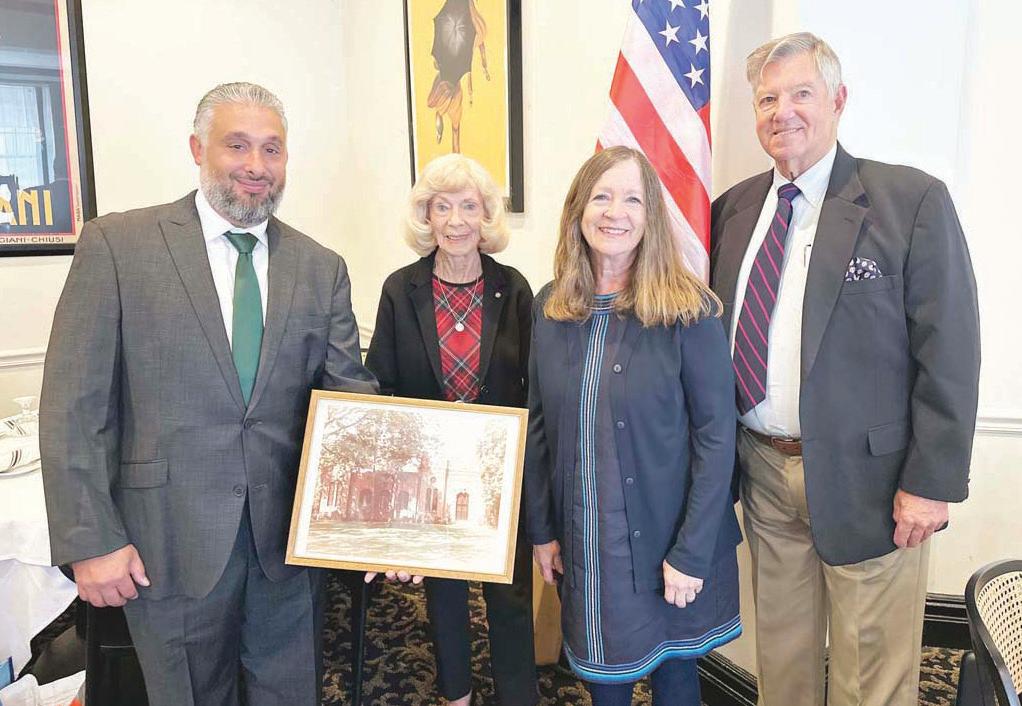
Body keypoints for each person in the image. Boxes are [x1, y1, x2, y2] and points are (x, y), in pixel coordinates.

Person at [39, 82, 382, 706]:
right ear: (198, 149)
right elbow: (74, 408)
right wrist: (91, 540)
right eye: (237, 145)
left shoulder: (320, 266)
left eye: (272, 149)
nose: (256, 165)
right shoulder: (118, 246)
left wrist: (386, 521)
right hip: (167, 546)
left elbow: (349, 404)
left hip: (288, 554)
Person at [710, 32, 980, 706]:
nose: (783, 112)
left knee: (872, 680)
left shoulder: (908, 202)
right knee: (783, 666)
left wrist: (931, 482)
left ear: (837, 100)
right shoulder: (731, 213)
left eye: (801, 93)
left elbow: (949, 350)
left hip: (874, 487)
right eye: (767, 99)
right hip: (763, 472)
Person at [526, 146, 742, 706]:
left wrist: (691, 553)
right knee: (605, 684)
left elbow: (717, 438)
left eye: (632, 199)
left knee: (675, 678)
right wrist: (543, 530)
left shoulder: (689, 310)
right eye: (601, 196)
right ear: (578, 210)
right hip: (589, 542)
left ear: (651, 218)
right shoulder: (550, 307)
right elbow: (539, 428)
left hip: (669, 539)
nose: (614, 212)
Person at [365, 153, 539, 706]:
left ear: (486, 216)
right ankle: (455, 694)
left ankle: (518, 696)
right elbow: (382, 385)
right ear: (427, 216)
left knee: (509, 597)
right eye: (443, 207)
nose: (457, 220)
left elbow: (534, 387)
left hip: (499, 474)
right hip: (428, 476)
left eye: (469, 206)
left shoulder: (514, 289)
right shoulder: (401, 290)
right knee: (443, 593)